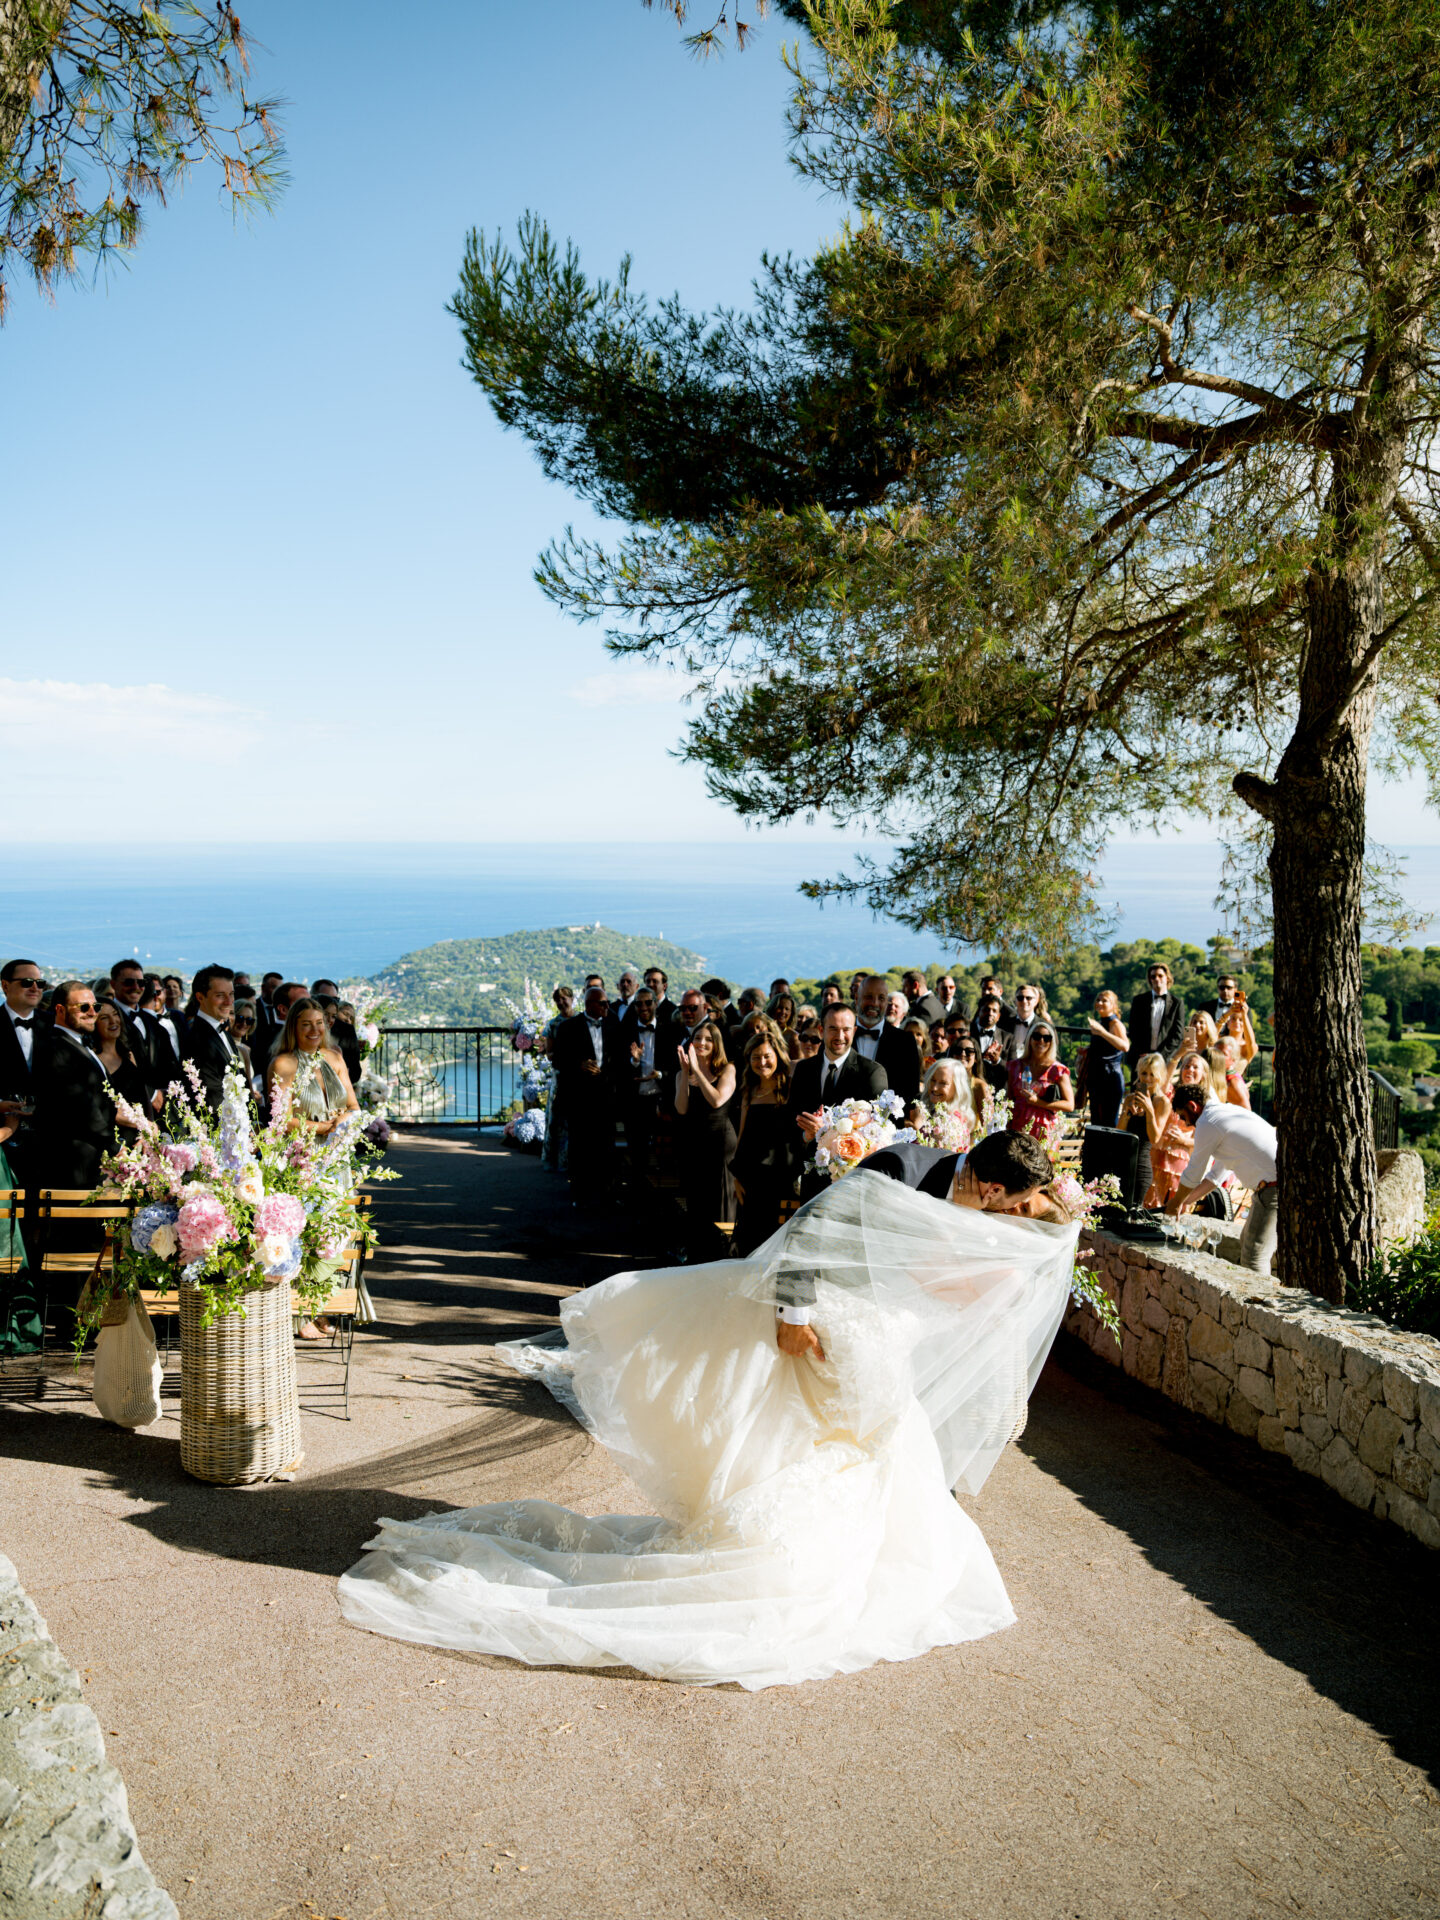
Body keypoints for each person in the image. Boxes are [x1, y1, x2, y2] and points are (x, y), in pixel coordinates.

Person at [338, 1126, 1078, 1688]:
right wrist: (794, 1312)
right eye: (1008, 1200)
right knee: (846, 1433)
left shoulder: (986, 1197)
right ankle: (779, 1549)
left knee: (868, 1435)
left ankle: (871, 1552)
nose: (1011, 1212)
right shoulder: (902, 1166)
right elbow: (814, 1232)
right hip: (831, 1318)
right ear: (979, 1179)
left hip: (886, 1327)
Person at [268, 999, 360, 1339]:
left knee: (336, 1230)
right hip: (301, 1156)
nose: (314, 1030)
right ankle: (298, 1313)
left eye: (319, 1023)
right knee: (304, 1232)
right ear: (293, 1027)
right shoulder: (284, 1062)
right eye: (306, 1023)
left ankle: (326, 1306)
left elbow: (352, 1105)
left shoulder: (335, 1058)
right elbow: (279, 1119)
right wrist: (319, 1128)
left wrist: (342, 1122)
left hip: (336, 1157)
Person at [1168, 1088, 1279, 1274]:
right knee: (1247, 1243)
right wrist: (1186, 1201)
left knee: (1254, 1257)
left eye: (1182, 1116)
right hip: (1270, 1187)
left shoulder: (1207, 1122)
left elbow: (1195, 1170)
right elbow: (1216, 1176)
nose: (1185, 1123)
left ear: (1192, 1106)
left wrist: (1175, 1203)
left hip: (1272, 1188)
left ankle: (1261, 1303)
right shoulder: (1225, 1114)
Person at [788, 1004, 889, 1195]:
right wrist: (805, 1136)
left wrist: (825, 1132)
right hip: (811, 1183)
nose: (840, 1036)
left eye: (846, 1029)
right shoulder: (804, 1070)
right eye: (833, 1028)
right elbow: (790, 1122)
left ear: (855, 1031)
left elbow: (877, 1133)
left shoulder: (872, 1072)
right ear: (821, 1030)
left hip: (853, 1183)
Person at [550, 986, 624, 1205]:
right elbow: (558, 1061)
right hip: (580, 1098)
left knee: (607, 1146)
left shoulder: (613, 1024)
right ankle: (581, 1195)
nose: (607, 1007)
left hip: (606, 1097)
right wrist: (579, 1065)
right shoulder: (568, 1028)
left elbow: (619, 1059)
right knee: (581, 1147)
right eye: (602, 1003)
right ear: (589, 1004)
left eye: (607, 1002)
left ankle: (607, 1194)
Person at [730, 1027, 799, 1256]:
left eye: (767, 1056)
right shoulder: (749, 1090)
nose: (762, 1062)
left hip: (781, 1179)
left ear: (777, 1056)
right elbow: (741, 1134)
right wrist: (736, 1177)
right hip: (752, 1179)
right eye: (756, 1057)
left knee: (778, 1241)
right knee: (751, 1241)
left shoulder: (790, 1088)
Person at [674, 1017, 737, 1262]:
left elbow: (717, 1100)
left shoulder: (727, 1069)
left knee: (720, 1199)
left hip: (720, 1142)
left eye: (708, 1039)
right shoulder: (684, 1073)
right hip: (694, 1142)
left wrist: (698, 1071)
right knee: (696, 1199)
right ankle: (697, 1254)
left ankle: (723, 1252)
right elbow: (681, 1108)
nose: (701, 1042)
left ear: (716, 1044)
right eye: (698, 1038)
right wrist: (685, 1072)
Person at [109, 959, 177, 1110]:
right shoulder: (108, 1022)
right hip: (129, 1107)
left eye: (140, 983)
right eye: (128, 982)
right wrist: (151, 1094)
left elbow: (171, 1066)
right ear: (113, 984)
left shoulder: (153, 1024)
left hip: (164, 1110)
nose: (136, 987)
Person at [852, 974, 921, 1106]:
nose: (875, 1003)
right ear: (856, 999)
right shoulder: (839, 1038)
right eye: (869, 997)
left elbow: (911, 1093)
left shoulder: (905, 1042)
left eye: (881, 998)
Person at [619, 985, 664, 1183]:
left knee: (664, 1153)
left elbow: (675, 1065)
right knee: (636, 1152)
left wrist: (660, 1075)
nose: (643, 1007)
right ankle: (638, 1196)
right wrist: (634, 1061)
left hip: (661, 1099)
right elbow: (617, 1069)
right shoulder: (625, 1031)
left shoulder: (668, 1030)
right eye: (639, 1004)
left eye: (648, 1003)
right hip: (634, 1100)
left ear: (655, 1003)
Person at [180, 964, 239, 1113]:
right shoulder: (197, 1041)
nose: (229, 1002)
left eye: (231, 994)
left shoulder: (223, 1032)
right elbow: (212, 1098)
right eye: (220, 996)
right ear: (200, 997)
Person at [1007, 1023, 1074, 1145]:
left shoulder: (1058, 1070)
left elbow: (1069, 1105)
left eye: (1046, 1038)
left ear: (1051, 1042)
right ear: (1030, 1039)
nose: (1041, 1041)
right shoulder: (1015, 1066)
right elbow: (1009, 1098)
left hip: (1045, 1130)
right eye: (1037, 1036)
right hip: (1017, 1126)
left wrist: (1038, 1102)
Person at [1120, 1051, 1173, 1204]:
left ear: (1160, 1076)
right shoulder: (1130, 1098)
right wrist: (1126, 1114)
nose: (1147, 1079)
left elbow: (1155, 1138)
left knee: (1134, 1211)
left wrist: (1149, 1110)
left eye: (1152, 1074)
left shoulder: (1162, 1102)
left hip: (1141, 1165)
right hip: (1123, 1163)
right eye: (1144, 1073)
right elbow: (1119, 1133)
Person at [88, 1001, 150, 1129]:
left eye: (115, 1014)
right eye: (104, 1017)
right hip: (117, 1137)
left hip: (143, 1132)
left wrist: (149, 1131)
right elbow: (105, 1108)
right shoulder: (93, 1060)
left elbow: (143, 1097)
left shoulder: (128, 1054)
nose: (113, 1021)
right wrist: (145, 1126)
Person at [1127, 962, 1186, 1079]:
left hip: (1165, 1060)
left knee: (1160, 1093)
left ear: (1167, 978)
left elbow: (1177, 1035)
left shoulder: (1177, 1003)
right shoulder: (1139, 1001)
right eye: (1153, 976)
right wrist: (1144, 1055)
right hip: (1140, 1058)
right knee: (1140, 1093)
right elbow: (1133, 1030)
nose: (1156, 979)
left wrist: (1160, 1055)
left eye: (1160, 975)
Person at [1080, 989, 1129, 1128]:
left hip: (1111, 1078)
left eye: (1104, 1000)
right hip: (1097, 1076)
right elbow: (1106, 1048)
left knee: (1108, 1120)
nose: (1099, 1003)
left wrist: (1102, 1033)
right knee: (1096, 1119)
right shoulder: (1101, 1022)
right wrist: (1086, 1051)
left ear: (1113, 1005)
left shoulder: (1115, 1024)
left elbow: (1125, 1046)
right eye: (1098, 1000)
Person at [1006, 983, 1048, 1062]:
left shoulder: (1044, 1026)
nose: (1024, 1001)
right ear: (1015, 1001)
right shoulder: (1005, 1023)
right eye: (1020, 998)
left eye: (1028, 998)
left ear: (1036, 1001)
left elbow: (1053, 1055)